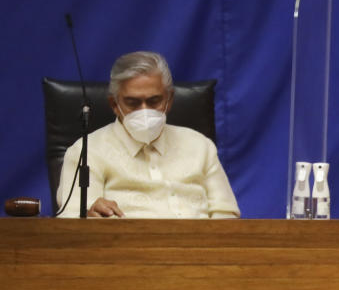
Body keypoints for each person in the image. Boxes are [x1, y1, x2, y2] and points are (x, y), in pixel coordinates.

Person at [57, 51, 240, 219]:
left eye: (154, 101)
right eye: (133, 103)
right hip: (126, 250)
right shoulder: (86, 151)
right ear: (114, 104)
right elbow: (72, 224)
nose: (144, 111)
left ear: (169, 100)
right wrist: (90, 215)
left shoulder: (200, 145)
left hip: (201, 250)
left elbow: (226, 214)